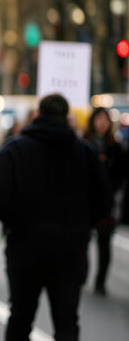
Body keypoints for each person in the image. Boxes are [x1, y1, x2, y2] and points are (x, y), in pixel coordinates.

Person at [0, 94, 109, 341]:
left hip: (25, 246)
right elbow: (103, 199)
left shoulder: (17, 148)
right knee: (67, 323)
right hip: (70, 249)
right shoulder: (84, 152)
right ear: (67, 116)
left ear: (38, 114)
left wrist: (12, 220)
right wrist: (85, 224)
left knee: (20, 318)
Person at [82, 107, 123, 296]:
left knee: (104, 244)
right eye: (98, 119)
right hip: (87, 201)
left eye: (105, 119)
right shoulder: (85, 144)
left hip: (107, 203)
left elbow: (121, 175)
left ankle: (100, 281)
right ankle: (81, 276)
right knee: (82, 241)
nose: (102, 123)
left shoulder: (115, 147)